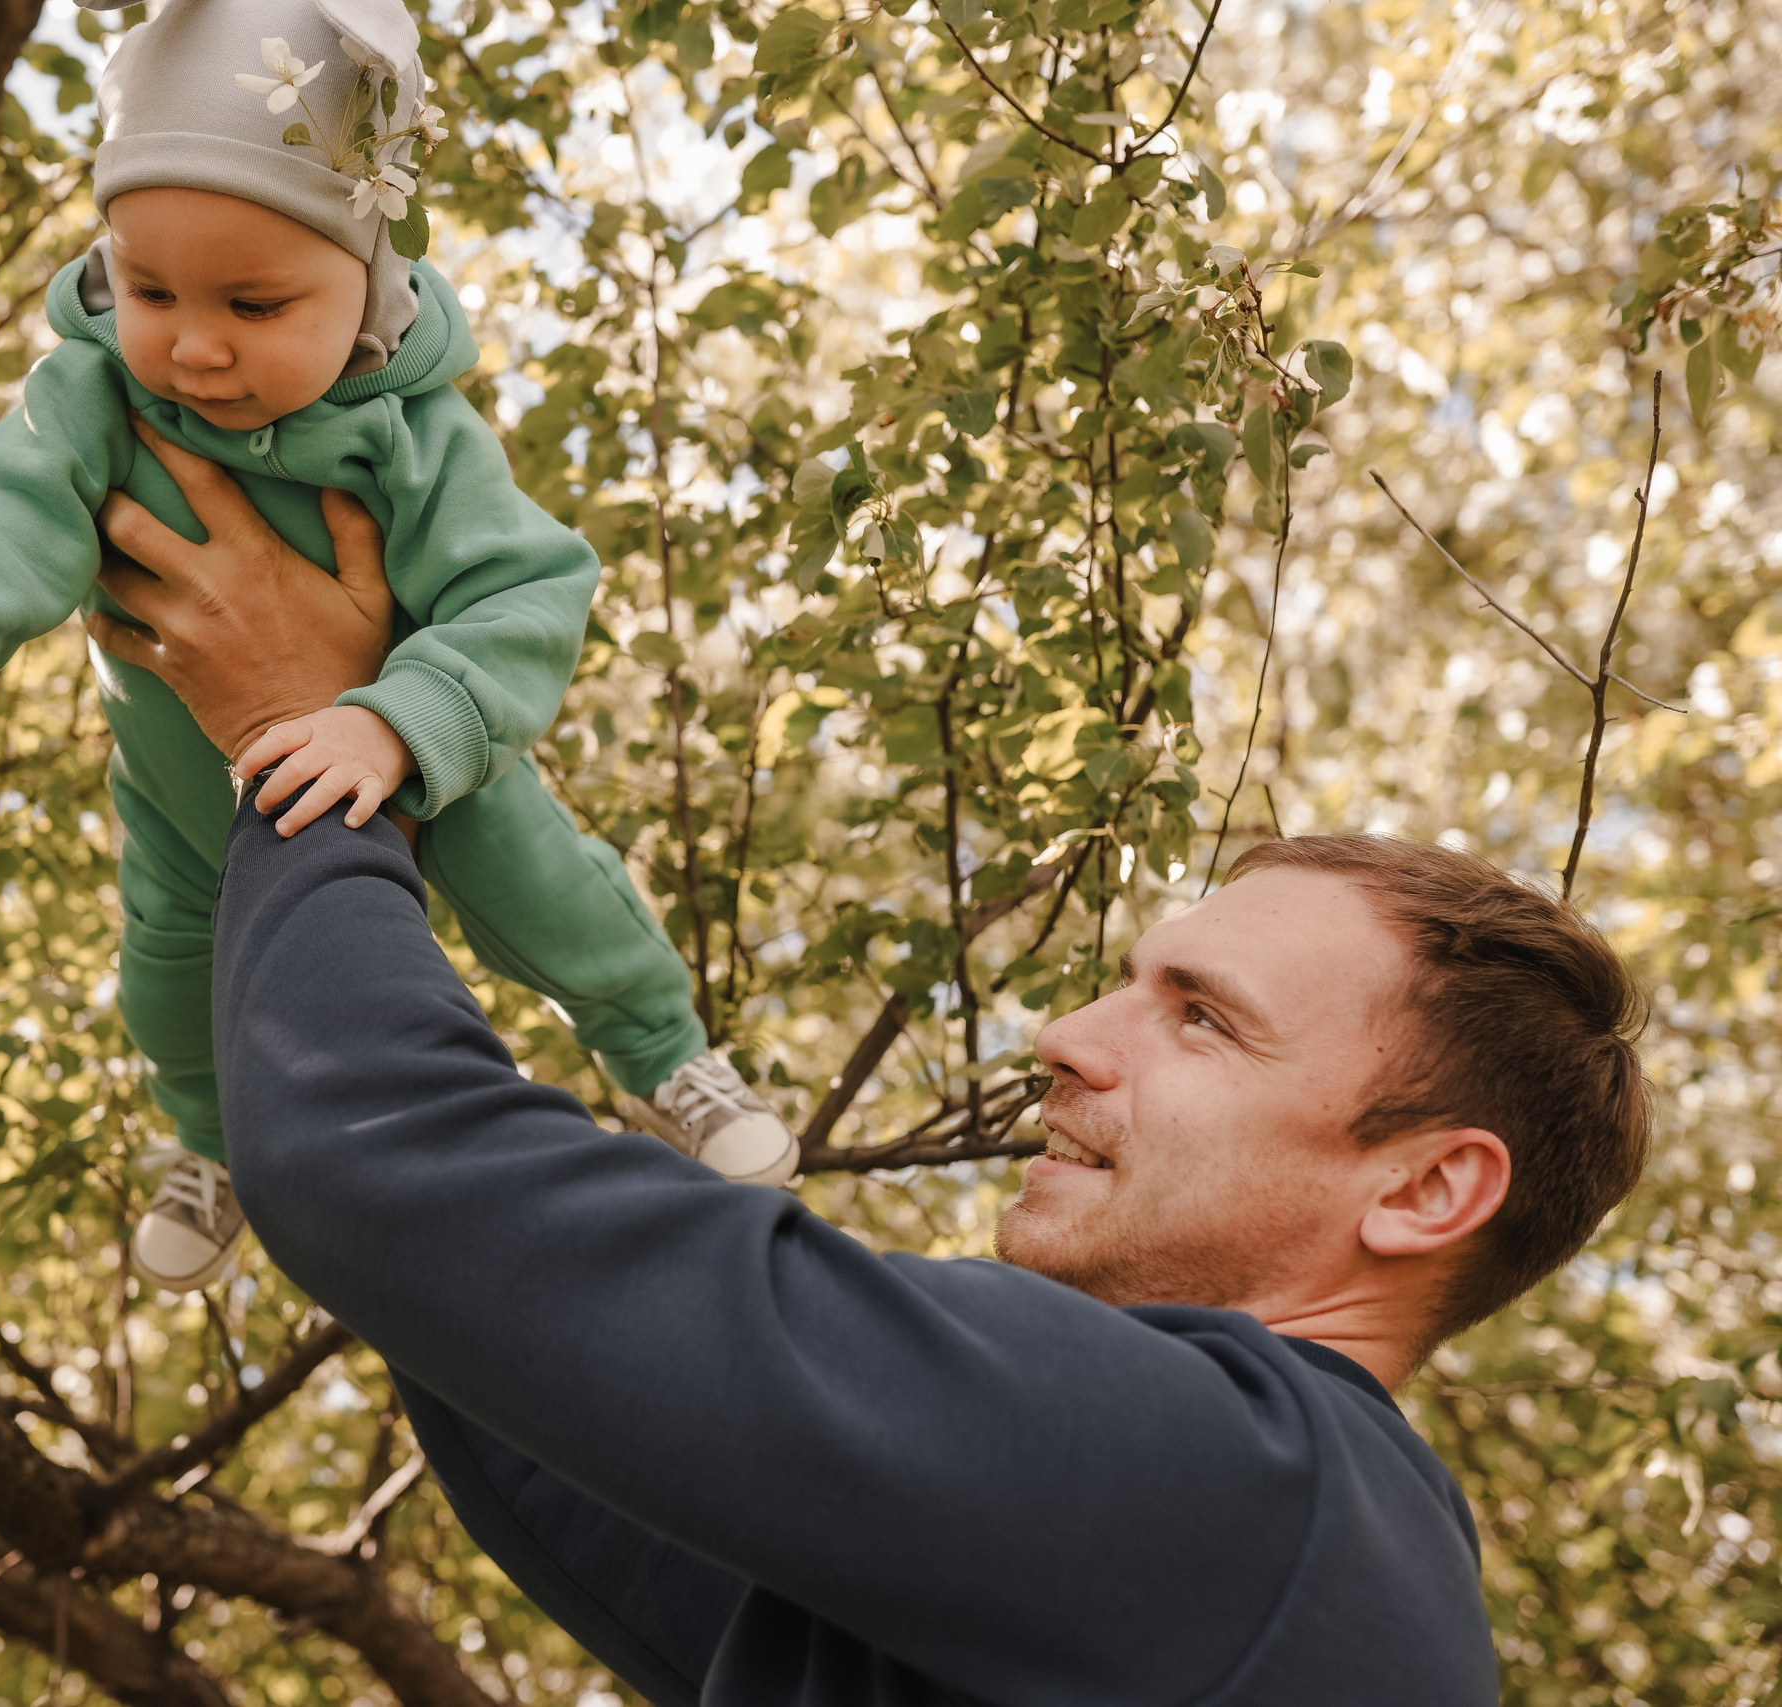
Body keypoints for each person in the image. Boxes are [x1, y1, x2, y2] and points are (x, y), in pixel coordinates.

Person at [104, 433, 1654, 1704]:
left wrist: (312, 742)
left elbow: (382, 1170)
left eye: (1201, 1017)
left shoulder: (1256, 1492)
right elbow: (513, 1341)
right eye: (1127, 987)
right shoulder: (1194, 1579)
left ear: (1429, 1185)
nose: (1065, 1039)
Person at [0, 0, 794, 1292]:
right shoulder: (91, 406)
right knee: (166, 991)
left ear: (363, 281)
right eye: (149, 290)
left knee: (554, 897)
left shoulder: (413, 434)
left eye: (254, 303)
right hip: (186, 802)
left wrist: (394, 718)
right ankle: (209, 1146)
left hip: (418, 757)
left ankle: (664, 1053)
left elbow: (528, 594)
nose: (194, 346)